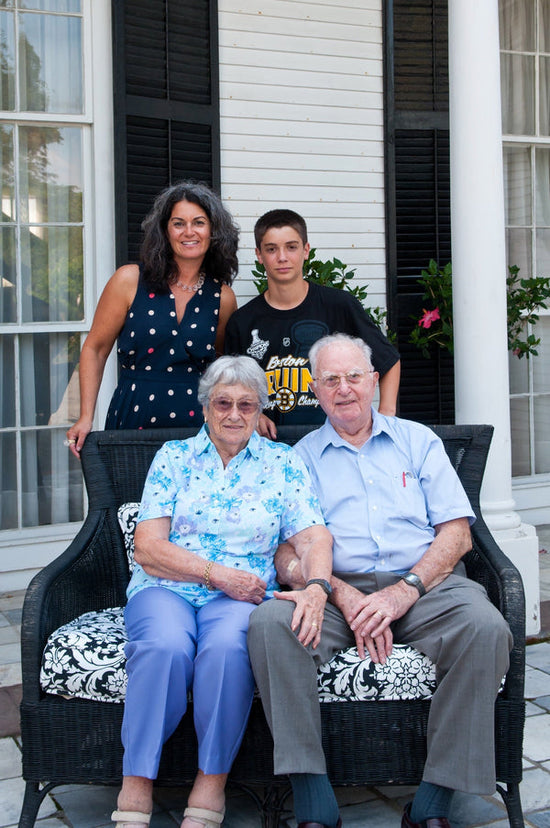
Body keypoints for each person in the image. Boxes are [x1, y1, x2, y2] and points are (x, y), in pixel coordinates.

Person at [247, 333, 513, 828]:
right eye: (330, 380)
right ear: (314, 389)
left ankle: (434, 801)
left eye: (353, 377)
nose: (343, 389)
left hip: (423, 585)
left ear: (373, 381)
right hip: (333, 589)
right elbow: (285, 550)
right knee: (268, 624)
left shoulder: (418, 441)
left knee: (486, 628)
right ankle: (312, 799)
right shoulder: (298, 459)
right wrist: (341, 594)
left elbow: (456, 536)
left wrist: (403, 591)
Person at [110, 355, 333, 828]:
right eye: (224, 403)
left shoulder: (282, 462)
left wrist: (316, 586)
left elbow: (314, 535)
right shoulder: (174, 458)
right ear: (205, 407)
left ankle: (211, 781)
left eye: (247, 405)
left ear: (259, 411)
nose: (234, 414)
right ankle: (137, 780)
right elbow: (148, 547)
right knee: (163, 647)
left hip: (241, 597)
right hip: (166, 586)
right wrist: (215, 573)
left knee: (229, 651)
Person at [65, 181, 239, 458]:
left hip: (198, 428)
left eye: (199, 222)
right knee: (130, 501)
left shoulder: (223, 297)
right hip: (134, 416)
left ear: (213, 231)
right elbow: (95, 349)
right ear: (165, 231)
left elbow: (219, 369)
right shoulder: (129, 280)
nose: (189, 232)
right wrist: (86, 416)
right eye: (178, 223)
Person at [224, 208, 400, 438]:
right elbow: (229, 386)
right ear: (259, 255)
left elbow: (388, 360)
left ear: (306, 250)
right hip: (269, 449)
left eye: (291, 247)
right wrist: (252, 414)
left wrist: (386, 415)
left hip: (334, 443)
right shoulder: (243, 322)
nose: (282, 257)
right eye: (271, 249)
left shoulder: (339, 306)